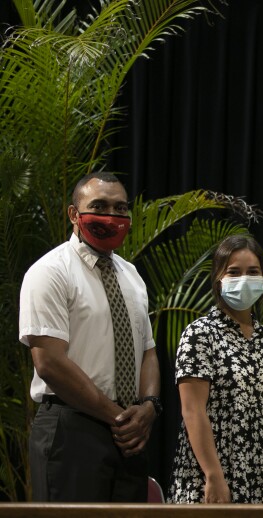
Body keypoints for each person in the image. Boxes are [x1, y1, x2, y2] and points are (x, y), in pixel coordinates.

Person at [19, 172, 161, 502]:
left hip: (129, 436)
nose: (111, 216)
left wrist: (150, 407)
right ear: (73, 213)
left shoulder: (132, 275)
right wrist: (118, 416)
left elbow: (148, 352)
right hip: (72, 430)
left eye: (120, 208)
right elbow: (49, 362)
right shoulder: (50, 271)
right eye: (99, 206)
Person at [169, 235, 263, 503]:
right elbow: (192, 410)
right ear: (218, 279)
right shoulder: (200, 334)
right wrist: (214, 475)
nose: (244, 279)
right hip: (210, 477)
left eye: (253, 272)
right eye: (234, 272)